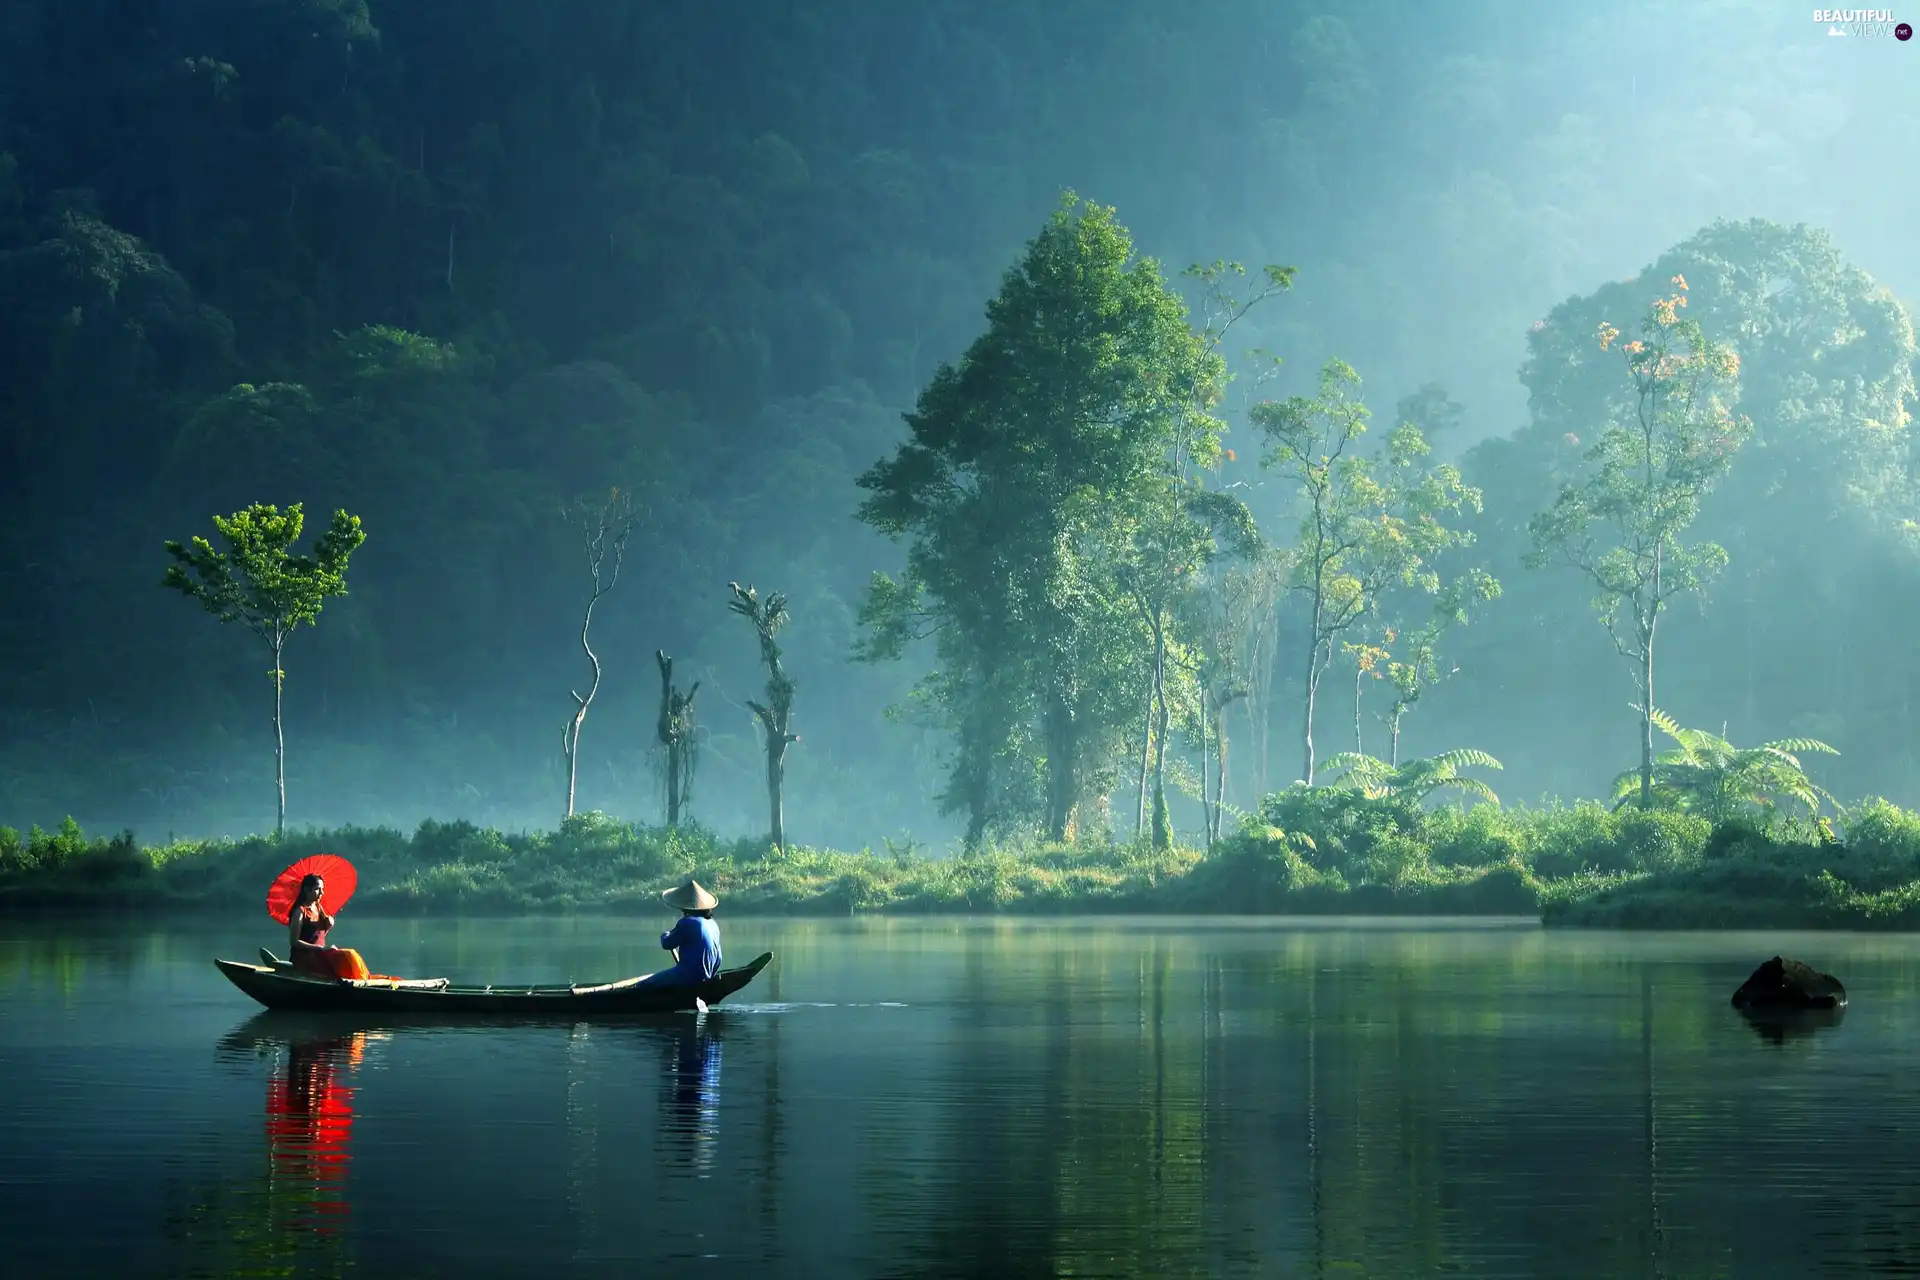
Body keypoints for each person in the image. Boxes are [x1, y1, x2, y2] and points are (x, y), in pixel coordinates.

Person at [287, 873, 373, 981]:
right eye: (317, 889)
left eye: (322, 889)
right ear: (307, 890)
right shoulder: (299, 911)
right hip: (305, 957)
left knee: (352, 954)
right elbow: (294, 942)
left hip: (320, 954)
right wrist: (321, 948)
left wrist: (329, 925)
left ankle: (362, 980)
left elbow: (319, 936)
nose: (321, 893)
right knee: (347, 955)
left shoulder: (318, 907)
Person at [643, 879, 723, 987]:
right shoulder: (713, 924)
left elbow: (667, 944)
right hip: (708, 974)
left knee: (646, 984)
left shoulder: (688, 922)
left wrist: (664, 935)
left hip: (690, 975)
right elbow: (717, 957)